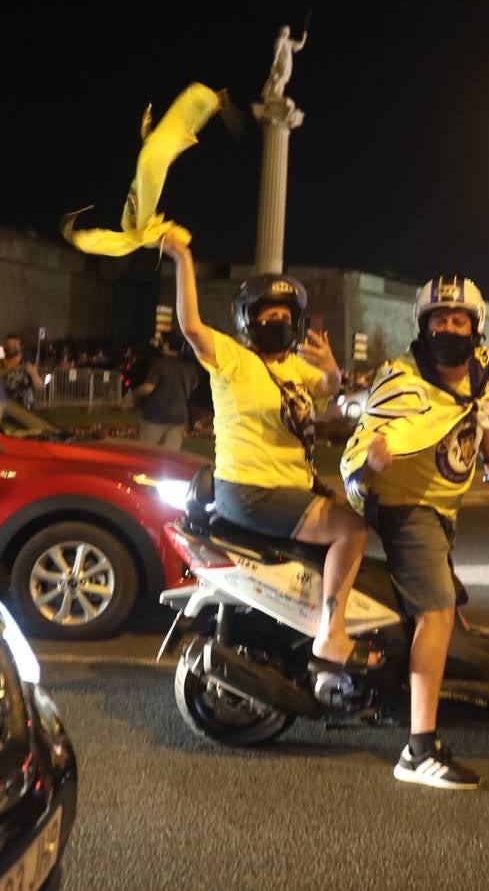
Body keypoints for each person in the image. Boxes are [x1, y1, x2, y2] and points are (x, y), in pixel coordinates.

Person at [164, 232, 377, 674]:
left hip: (290, 487)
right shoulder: (233, 359)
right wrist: (183, 259)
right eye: (267, 314)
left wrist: (333, 369)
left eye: (284, 315)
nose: (276, 321)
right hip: (251, 490)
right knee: (351, 532)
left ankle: (311, 622)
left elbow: (326, 389)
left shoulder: (292, 365)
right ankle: (332, 635)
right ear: (248, 320)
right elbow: (191, 327)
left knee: (352, 521)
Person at [341, 275, 489, 791]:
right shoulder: (399, 379)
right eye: (439, 320)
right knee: (435, 612)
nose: (449, 328)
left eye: (459, 320)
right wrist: (371, 462)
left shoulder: (483, 372)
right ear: (423, 325)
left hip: (444, 509)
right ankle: (419, 747)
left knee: (449, 606)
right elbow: (367, 439)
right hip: (408, 506)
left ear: (476, 328)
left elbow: (476, 417)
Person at [130, 332, 198, 451]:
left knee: (146, 452)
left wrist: (133, 395)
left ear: (166, 346)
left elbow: (148, 388)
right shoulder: (188, 366)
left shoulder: (159, 364)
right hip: (179, 417)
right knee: (171, 455)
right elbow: (193, 386)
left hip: (156, 415)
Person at [0, 334, 43, 410]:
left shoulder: (27, 363)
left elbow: (38, 386)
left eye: (14, 345)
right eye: (8, 345)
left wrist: (33, 373)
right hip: (4, 409)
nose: (11, 348)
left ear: (20, 347)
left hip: (25, 410)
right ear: (3, 347)